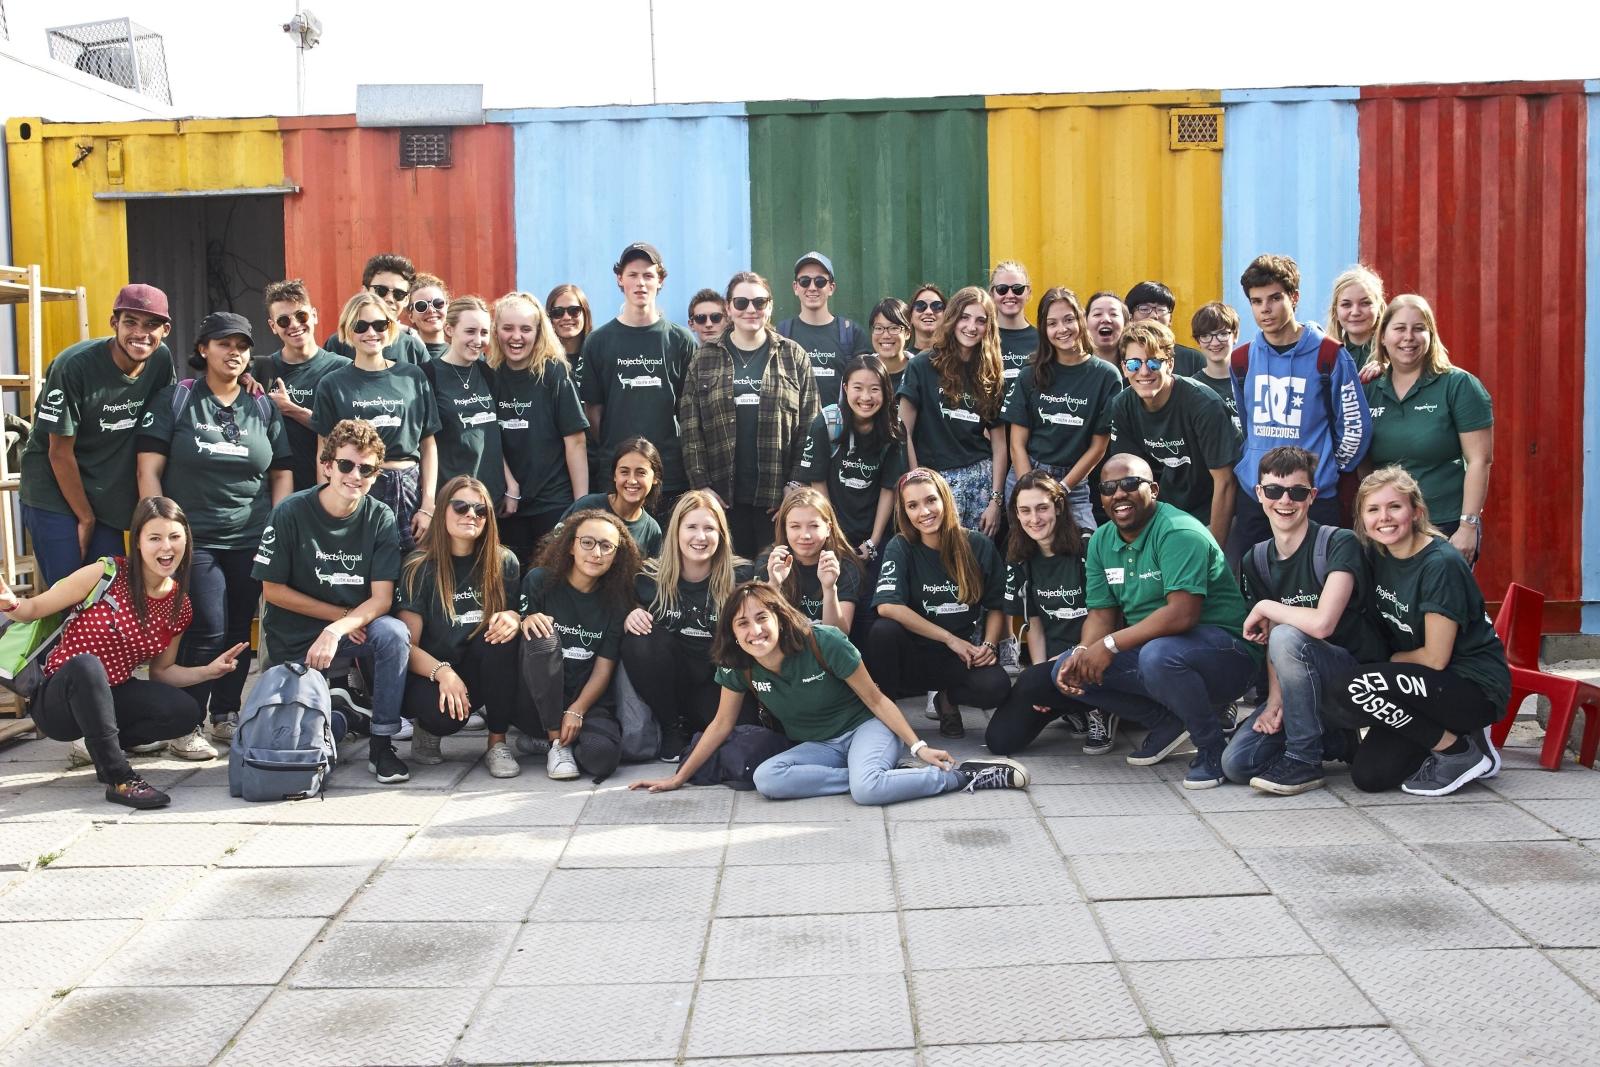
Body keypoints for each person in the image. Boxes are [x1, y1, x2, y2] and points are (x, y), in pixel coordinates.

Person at [631, 581, 1029, 803]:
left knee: (868, 792)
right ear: (732, 633)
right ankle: (870, 775)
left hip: (865, 729)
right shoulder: (739, 664)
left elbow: (876, 699)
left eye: (761, 618)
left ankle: (960, 778)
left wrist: (918, 747)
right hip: (821, 746)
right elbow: (720, 725)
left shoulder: (823, 642)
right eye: (742, 624)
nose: (754, 631)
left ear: (779, 618)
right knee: (768, 779)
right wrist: (678, 778)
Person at [0, 498, 247, 808]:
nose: (165, 547)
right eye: (154, 538)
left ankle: (101, 744)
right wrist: (10, 602)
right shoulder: (106, 573)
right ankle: (119, 778)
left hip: (113, 694)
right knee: (88, 667)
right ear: (138, 543)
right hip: (58, 699)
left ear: (186, 539)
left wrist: (209, 671)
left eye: (174, 536)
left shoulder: (179, 605)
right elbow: (34, 608)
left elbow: (162, 672)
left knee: (184, 713)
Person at [136, 311, 293, 755]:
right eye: (224, 343)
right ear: (203, 349)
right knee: (207, 624)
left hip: (251, 535)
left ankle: (225, 713)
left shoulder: (260, 405)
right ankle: (184, 721)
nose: (235, 352)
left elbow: (281, 471)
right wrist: (159, 530)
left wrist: (276, 527)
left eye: (242, 345)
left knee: (242, 627)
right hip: (194, 537)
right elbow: (149, 468)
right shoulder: (177, 399)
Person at [1053, 454, 1261, 788]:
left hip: (1228, 654)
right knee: (1067, 667)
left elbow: (1183, 613)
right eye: (1108, 488)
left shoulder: (1178, 531)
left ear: (1153, 489)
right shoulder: (1102, 540)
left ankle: (1211, 748)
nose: (1118, 494)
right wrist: (1082, 649)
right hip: (1162, 652)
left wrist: (1109, 644)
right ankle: (1166, 722)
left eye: (1130, 484)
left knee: (1159, 656)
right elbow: (1101, 614)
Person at [1331, 466, 1510, 796]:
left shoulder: (1440, 563)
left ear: (1415, 512)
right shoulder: (1378, 555)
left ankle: (1458, 752)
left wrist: (1385, 663)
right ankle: (1463, 738)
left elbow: (1435, 658)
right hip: (1422, 685)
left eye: (1394, 507)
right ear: (1362, 519)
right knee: (1369, 776)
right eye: (1373, 509)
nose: (1384, 518)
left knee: (1352, 686)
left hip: (1470, 685)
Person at [1219, 447, 1386, 795]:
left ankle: (1304, 759)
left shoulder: (1339, 542)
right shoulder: (1257, 558)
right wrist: (1276, 702)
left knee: (1289, 636)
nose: (1285, 501)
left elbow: (1323, 624)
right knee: (1237, 764)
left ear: (1312, 496)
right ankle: (1334, 740)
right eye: (1275, 491)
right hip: (1298, 689)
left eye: (1296, 492)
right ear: (1259, 494)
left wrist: (1266, 606)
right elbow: (1272, 638)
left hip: (1352, 683)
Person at [253, 419, 412, 785]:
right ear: (327, 466)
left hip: (351, 630)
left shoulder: (379, 516)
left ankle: (382, 743)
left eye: (367, 469)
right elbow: (272, 591)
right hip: (298, 637)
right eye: (346, 464)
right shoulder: (290, 512)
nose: (355, 475)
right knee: (297, 743)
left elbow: (382, 598)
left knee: (394, 633)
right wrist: (336, 620)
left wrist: (340, 627)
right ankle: (342, 712)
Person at [20, 283, 176, 586]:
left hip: (105, 491)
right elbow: (58, 452)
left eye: (152, 324)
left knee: (111, 592)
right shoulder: (74, 366)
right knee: (69, 594)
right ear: (114, 323)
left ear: (165, 329)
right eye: (130, 322)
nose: (141, 333)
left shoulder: (160, 360)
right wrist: (85, 518)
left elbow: (162, 423)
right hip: (55, 487)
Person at [1229, 253, 1371, 559]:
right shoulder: (1241, 360)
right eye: (1256, 301)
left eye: (1275, 298)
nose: (1265, 309)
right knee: (1255, 586)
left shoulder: (1329, 355)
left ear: (1294, 298)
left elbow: (1355, 427)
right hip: (1259, 497)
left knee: (1318, 588)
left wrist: (1326, 469)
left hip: (1312, 497)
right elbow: (1247, 423)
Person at [680, 271, 819, 557]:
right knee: (730, 582)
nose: (750, 310)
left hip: (777, 502)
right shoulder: (704, 358)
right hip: (722, 501)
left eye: (759, 302)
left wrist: (795, 484)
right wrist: (702, 487)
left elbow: (811, 425)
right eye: (741, 302)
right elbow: (690, 429)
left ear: (770, 305)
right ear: (729, 308)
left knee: (775, 582)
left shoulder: (793, 356)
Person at [868, 468, 1011, 739]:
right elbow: (887, 606)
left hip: (959, 657)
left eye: (931, 500)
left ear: (945, 499)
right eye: (913, 505)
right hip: (912, 658)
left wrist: (989, 645)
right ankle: (886, 720)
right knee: (882, 631)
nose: (924, 512)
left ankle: (947, 699)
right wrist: (948, 638)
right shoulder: (901, 546)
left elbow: (996, 604)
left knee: (997, 686)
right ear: (905, 512)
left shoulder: (978, 545)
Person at [396, 476, 523, 775]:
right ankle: (426, 729)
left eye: (480, 511)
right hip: (430, 673)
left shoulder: (504, 561)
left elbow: (518, 613)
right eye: (461, 506)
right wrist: (444, 673)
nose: (471, 515)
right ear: (442, 511)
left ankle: (497, 743)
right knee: (445, 719)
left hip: (478, 668)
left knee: (502, 635)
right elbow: (407, 646)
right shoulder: (419, 566)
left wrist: (514, 618)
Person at [621, 491, 753, 760]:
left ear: (722, 534)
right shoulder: (649, 577)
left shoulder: (741, 576)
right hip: (672, 681)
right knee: (639, 639)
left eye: (709, 528)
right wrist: (630, 613)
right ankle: (672, 728)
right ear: (676, 531)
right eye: (691, 527)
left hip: (717, 680)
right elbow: (621, 612)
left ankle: (702, 727)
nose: (700, 537)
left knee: (741, 733)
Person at [1362, 294, 1493, 563]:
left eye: (1419, 328)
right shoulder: (1368, 389)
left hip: (1443, 525)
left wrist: (1468, 526)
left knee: (1440, 604)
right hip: (1387, 528)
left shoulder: (1458, 385)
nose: (1408, 337)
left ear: (1431, 335)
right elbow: (1361, 461)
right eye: (1399, 328)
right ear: (1383, 337)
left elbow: (1480, 460)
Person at [311, 293, 440, 553]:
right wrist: (331, 504)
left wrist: (427, 505)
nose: (372, 332)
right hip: (356, 487)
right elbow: (323, 453)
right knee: (362, 571)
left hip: (409, 489)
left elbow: (428, 445)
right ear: (348, 331)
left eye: (380, 325)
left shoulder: (412, 376)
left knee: (413, 574)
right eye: (361, 326)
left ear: (390, 327)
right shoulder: (332, 384)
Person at [520, 510, 642, 780]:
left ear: (617, 555)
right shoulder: (539, 581)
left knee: (603, 759)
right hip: (536, 701)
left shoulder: (617, 601)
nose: (596, 553)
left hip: (584, 699)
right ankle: (555, 742)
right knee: (541, 632)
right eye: (587, 542)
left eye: (606, 546)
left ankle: (549, 741)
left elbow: (603, 668)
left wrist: (577, 710)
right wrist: (526, 619)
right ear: (571, 546)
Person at [985, 471, 1098, 755]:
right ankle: (1071, 706)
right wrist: (1041, 677)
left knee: (1038, 681)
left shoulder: (1088, 546)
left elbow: (1107, 615)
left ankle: (1100, 709)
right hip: (1054, 661)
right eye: (1025, 511)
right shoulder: (1018, 556)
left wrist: (1065, 661)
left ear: (1059, 508)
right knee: (1000, 741)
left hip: (1095, 655)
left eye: (1042, 508)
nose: (1034, 519)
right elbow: (1032, 622)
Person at [579, 242, 697, 506]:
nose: (640, 283)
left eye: (648, 275)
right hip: (616, 474)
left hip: (669, 475)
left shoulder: (680, 340)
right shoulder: (598, 341)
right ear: (620, 279)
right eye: (632, 275)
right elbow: (593, 412)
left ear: (660, 280)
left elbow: (689, 411)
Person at [1106, 321, 1239, 545]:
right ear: (1123, 366)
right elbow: (1131, 480)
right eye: (1134, 363)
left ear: (1170, 364)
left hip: (1214, 509)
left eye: (1154, 362)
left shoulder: (1203, 404)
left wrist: (1214, 551)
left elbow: (1225, 482)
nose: (1144, 372)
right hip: (1167, 513)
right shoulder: (1123, 405)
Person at [1003, 286, 1120, 531]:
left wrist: (1062, 489)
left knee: (1083, 550)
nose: (1062, 329)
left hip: (1073, 481)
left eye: (1069, 319)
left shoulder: (1106, 376)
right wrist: (1030, 489)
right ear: (1044, 330)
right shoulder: (1030, 374)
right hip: (1028, 472)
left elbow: (1099, 446)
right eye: (1052, 323)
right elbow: (1017, 443)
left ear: (1081, 319)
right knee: (1029, 551)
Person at [896, 286, 1008, 535]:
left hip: (981, 478)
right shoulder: (922, 365)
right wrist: (917, 484)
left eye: (981, 320)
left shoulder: (991, 373)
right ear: (952, 319)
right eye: (965, 317)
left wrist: (996, 500)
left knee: (977, 561)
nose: (972, 327)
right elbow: (904, 431)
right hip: (936, 481)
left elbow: (1000, 443)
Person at [490, 291, 589, 562]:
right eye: (507, 328)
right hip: (509, 505)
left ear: (538, 331)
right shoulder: (490, 375)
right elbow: (488, 439)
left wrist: (581, 507)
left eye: (525, 329)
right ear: (496, 330)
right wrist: (509, 485)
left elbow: (575, 441)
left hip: (553, 501)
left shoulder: (553, 372)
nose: (516, 337)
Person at [794, 354, 907, 565]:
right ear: (845, 388)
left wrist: (873, 541)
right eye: (858, 388)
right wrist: (834, 535)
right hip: (833, 532)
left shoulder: (894, 429)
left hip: (878, 533)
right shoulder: (826, 423)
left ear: (886, 391)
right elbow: (817, 483)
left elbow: (889, 488)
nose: (866, 397)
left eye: (874, 389)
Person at [256, 279, 352, 492]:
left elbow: (351, 434)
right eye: (283, 321)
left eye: (301, 316)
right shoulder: (261, 369)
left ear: (314, 315)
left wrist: (292, 410)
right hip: (276, 491)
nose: (294, 325)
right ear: (273, 327)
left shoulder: (342, 368)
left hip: (329, 488)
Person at [422, 296, 505, 505]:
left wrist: (510, 484)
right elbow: (424, 443)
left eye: (484, 333)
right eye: (470, 331)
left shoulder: (488, 373)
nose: (478, 341)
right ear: (449, 330)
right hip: (451, 498)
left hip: (490, 496)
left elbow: (496, 436)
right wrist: (428, 500)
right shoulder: (427, 375)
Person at [775, 251, 871, 408]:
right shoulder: (781, 334)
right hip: (795, 430)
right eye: (805, 281)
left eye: (820, 281)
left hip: (840, 429)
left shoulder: (852, 334)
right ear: (795, 287)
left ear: (831, 288)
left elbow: (866, 388)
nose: (812, 288)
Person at [759, 488, 862, 631]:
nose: (805, 535)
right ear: (784, 529)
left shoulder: (843, 566)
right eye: (795, 526)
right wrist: (774, 584)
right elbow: (759, 629)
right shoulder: (770, 563)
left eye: (814, 526)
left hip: (826, 650)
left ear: (828, 528)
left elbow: (840, 635)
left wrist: (829, 588)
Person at [560, 435, 665, 558]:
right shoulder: (587, 506)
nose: (632, 480)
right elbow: (555, 551)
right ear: (614, 475)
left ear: (655, 478)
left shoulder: (652, 531)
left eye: (641, 473)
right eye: (624, 472)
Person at [322, 253, 430, 365]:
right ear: (364, 291)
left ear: (407, 299)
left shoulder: (414, 349)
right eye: (381, 290)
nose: (389, 299)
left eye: (399, 294)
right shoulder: (338, 343)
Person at [1125, 280, 1206, 377]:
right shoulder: (1122, 355)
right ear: (1130, 318)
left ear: (1170, 319)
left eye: (1161, 309)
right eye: (1144, 309)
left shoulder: (1192, 359)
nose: (1154, 315)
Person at [1189, 301, 1244, 438]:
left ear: (1235, 335)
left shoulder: (1252, 380)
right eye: (1206, 336)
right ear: (1198, 341)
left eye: (1222, 334)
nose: (1214, 342)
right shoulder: (1191, 388)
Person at [1326, 264, 1386, 366]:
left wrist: (1388, 371)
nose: (1355, 312)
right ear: (1335, 312)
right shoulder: (1324, 356)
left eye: (1365, 303)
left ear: (1379, 308)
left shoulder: (1395, 352)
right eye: (1346, 304)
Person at [990, 260, 1037, 383]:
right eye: (1002, 289)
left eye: (1017, 289)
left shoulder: (1044, 340)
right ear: (992, 294)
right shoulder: (982, 338)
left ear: (1028, 292)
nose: (1010, 295)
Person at [866, 298, 913, 389]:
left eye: (894, 328)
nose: (886, 335)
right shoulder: (859, 372)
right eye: (879, 328)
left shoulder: (921, 371)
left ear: (907, 333)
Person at [407, 273, 450, 359]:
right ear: (411, 316)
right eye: (421, 306)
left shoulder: (463, 353)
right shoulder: (404, 355)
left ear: (447, 307)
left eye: (438, 303)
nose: (431, 310)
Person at [1084, 290, 1128, 368]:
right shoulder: (1076, 368)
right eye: (1097, 314)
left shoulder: (1137, 368)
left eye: (1113, 314)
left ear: (1125, 323)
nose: (1106, 319)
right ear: (1085, 322)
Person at [907, 284, 946, 353]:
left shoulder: (954, 359)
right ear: (910, 316)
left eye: (937, 306)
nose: (929, 312)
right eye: (920, 305)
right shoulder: (902, 360)